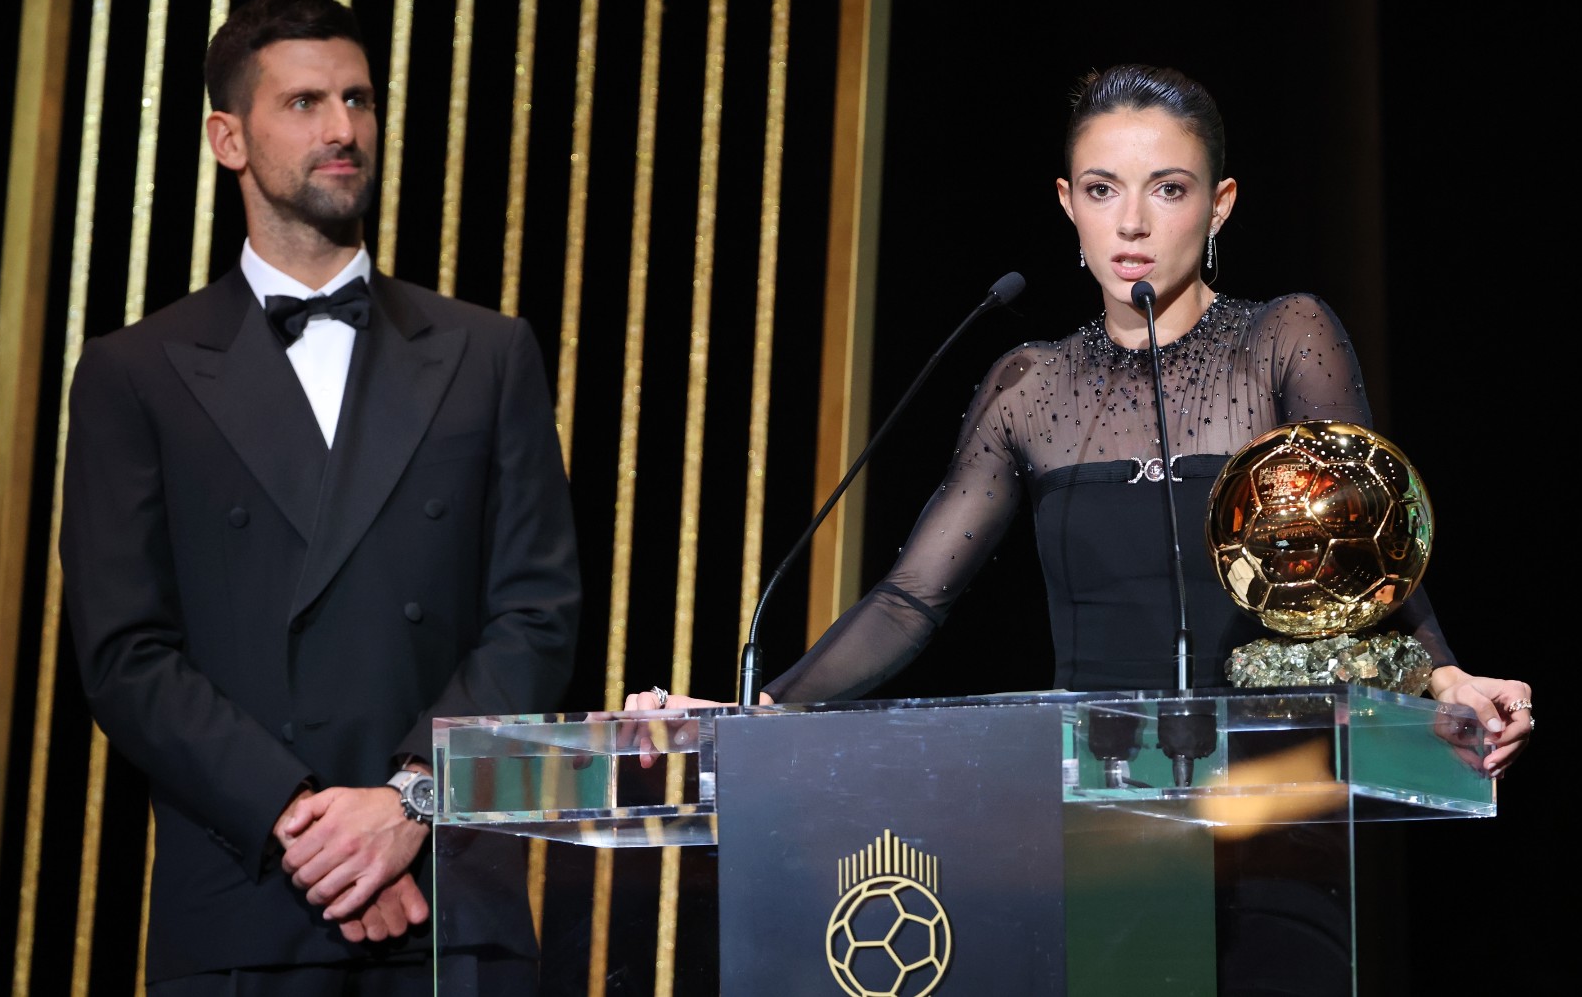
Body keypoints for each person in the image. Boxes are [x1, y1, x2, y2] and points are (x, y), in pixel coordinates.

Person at [632, 63, 1533, 768]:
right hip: (1092, 793)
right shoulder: (1029, 382)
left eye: (1168, 189)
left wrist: (1445, 673)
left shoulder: (1282, 340)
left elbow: (1370, 544)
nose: (1131, 222)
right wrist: (760, 713)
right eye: (1102, 190)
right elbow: (912, 599)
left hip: (1273, 786)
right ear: (1069, 204)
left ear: (1219, 205)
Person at [58, 0, 580, 994]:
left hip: (449, 897)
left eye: (357, 99)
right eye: (303, 103)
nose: (342, 129)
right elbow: (125, 651)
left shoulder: (488, 351)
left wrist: (408, 800)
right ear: (228, 137)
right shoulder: (136, 371)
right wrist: (310, 824)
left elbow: (538, 614)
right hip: (249, 894)